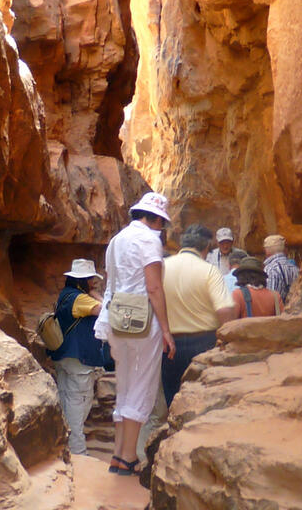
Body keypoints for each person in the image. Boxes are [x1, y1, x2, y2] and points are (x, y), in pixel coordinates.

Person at [93, 192, 175, 476]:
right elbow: (153, 288)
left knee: (125, 385)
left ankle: (117, 455)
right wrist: (166, 330)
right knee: (142, 386)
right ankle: (128, 458)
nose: (161, 229)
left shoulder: (117, 240)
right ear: (155, 219)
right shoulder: (149, 240)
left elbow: (111, 283)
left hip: (117, 317)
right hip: (143, 319)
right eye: (161, 223)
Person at [160, 225, 235, 407]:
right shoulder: (209, 270)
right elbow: (224, 309)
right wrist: (229, 339)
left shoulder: (162, 268)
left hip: (169, 344)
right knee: (203, 400)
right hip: (205, 342)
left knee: (173, 399)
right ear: (206, 248)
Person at [48, 259, 111, 456]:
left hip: (64, 356)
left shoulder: (65, 295)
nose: (93, 283)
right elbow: (106, 311)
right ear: (83, 281)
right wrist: (95, 295)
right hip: (79, 360)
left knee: (66, 399)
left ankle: (65, 445)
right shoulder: (80, 299)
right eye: (91, 280)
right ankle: (78, 450)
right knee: (79, 403)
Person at [262, 234, 299, 302]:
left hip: (277, 311)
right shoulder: (294, 268)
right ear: (284, 249)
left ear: (267, 251)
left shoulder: (270, 269)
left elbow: (269, 299)